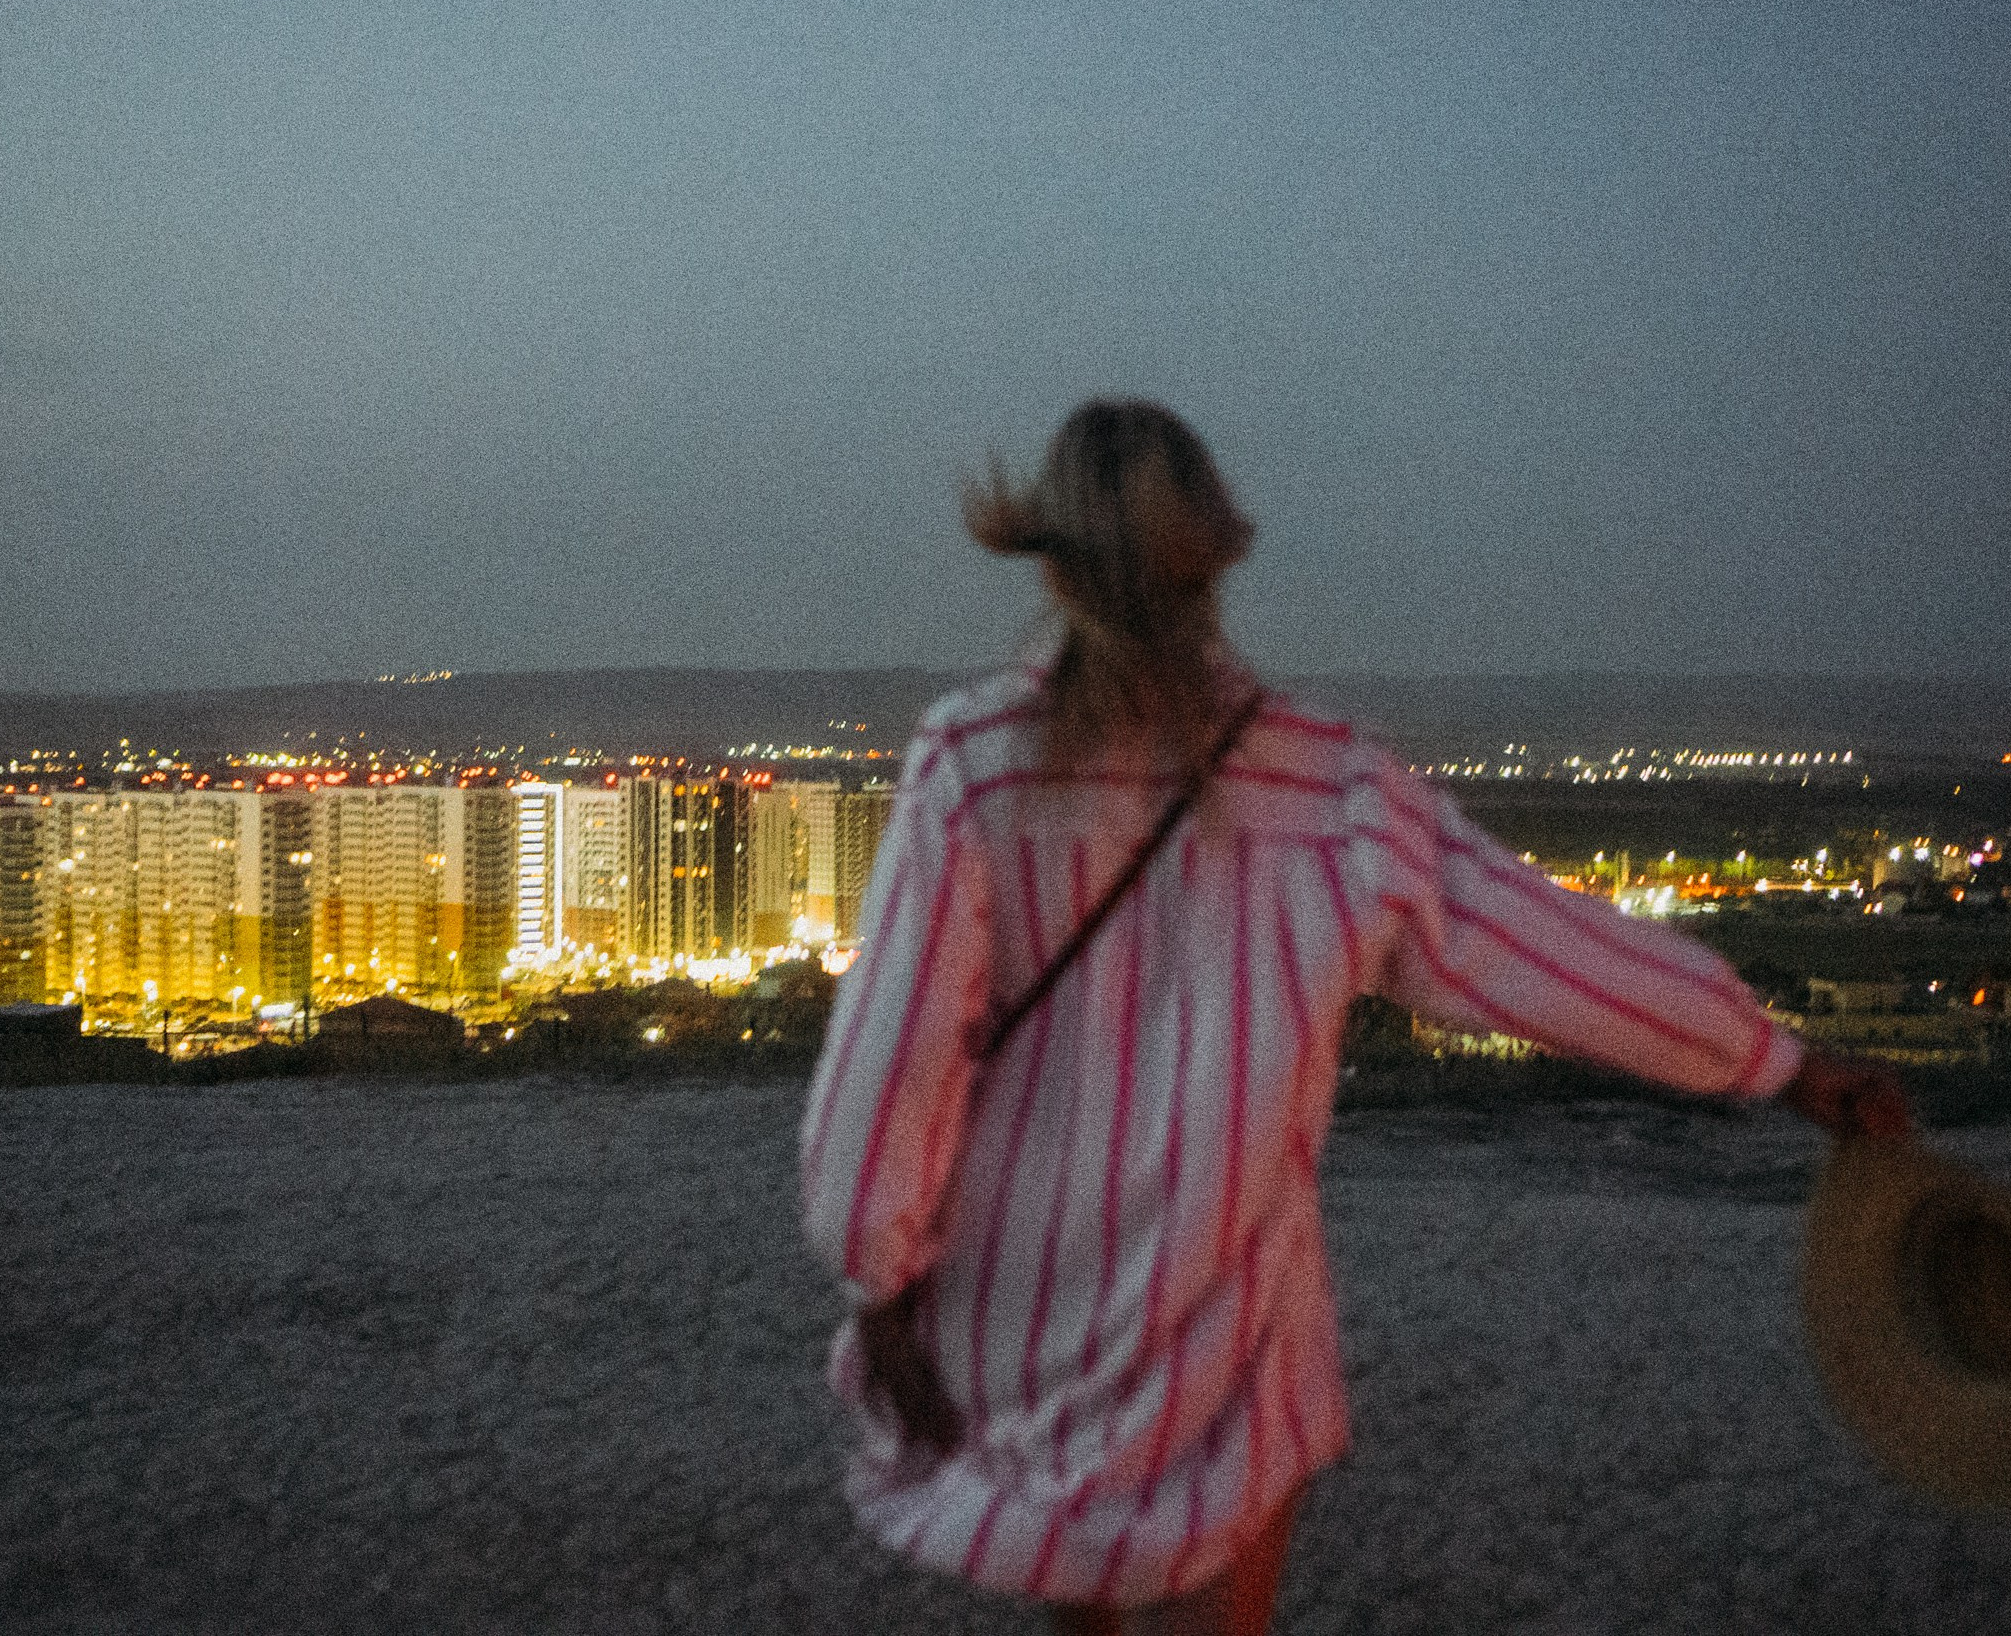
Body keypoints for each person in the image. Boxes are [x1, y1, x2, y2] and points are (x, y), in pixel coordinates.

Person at [799, 399, 1907, 1635]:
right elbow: (1545, 954)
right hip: (1222, 1320)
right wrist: (1775, 1061)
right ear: (1216, 561)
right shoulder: (1332, 785)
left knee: (1080, 1592)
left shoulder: (968, 764)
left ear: (1050, 566)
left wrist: (878, 1276)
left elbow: (891, 1062)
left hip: (1020, 1303)